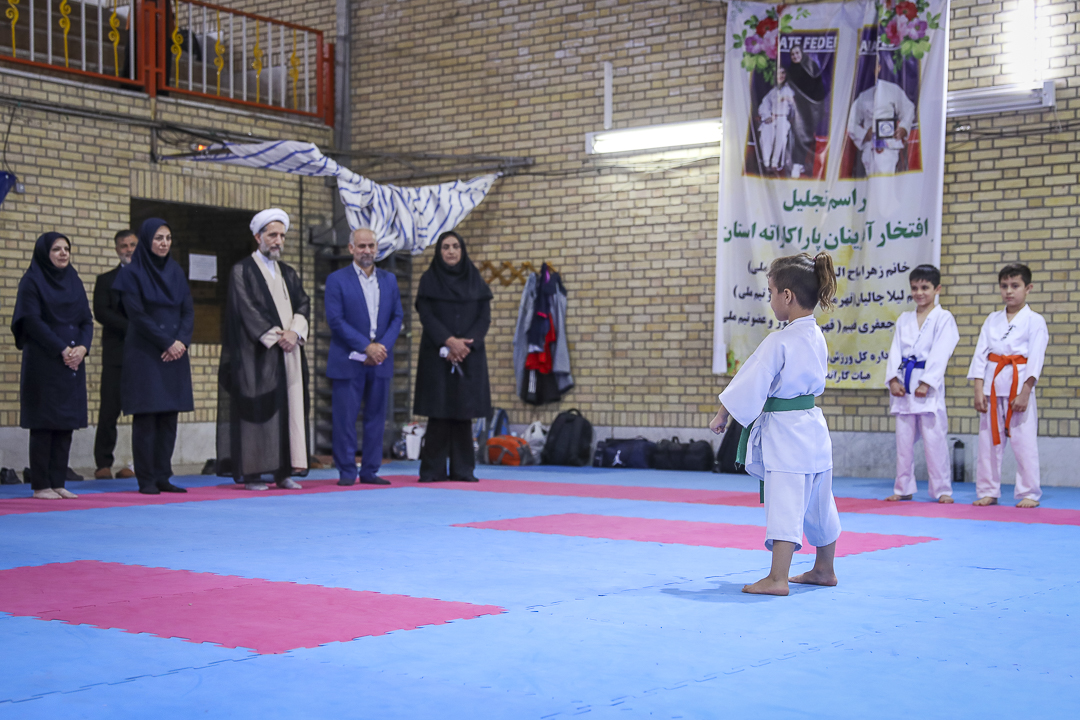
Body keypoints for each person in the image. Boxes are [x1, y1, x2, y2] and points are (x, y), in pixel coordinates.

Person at [709, 252, 841, 596]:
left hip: (786, 434)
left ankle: (777, 578)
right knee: (820, 504)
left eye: (770, 292)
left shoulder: (779, 340)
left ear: (787, 295)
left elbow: (750, 380)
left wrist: (723, 414)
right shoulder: (816, 335)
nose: (769, 299)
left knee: (785, 504)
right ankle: (824, 569)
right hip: (813, 428)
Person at [217, 209, 311, 491]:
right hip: (256, 355)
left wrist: (294, 333)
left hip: (289, 353)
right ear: (258, 237)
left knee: (287, 410)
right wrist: (276, 337)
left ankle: (283, 472)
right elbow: (246, 309)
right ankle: (254, 474)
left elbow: (303, 303)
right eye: (272, 235)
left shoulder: (289, 273)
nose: (278, 240)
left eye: (282, 235)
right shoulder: (242, 270)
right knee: (256, 414)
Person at [111, 218, 193, 495]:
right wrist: (167, 342)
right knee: (147, 418)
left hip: (175, 353)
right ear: (147, 240)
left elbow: (187, 310)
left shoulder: (176, 271)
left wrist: (181, 342)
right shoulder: (132, 273)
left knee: (168, 417)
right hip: (146, 352)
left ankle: (163, 476)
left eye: (168, 238)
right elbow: (136, 314)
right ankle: (146, 479)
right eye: (158, 238)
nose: (164, 243)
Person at [11, 232, 94, 500]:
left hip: (72, 361)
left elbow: (86, 320)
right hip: (44, 361)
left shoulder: (74, 280)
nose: (63, 253)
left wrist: (82, 348)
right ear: (44, 253)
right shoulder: (32, 280)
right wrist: (62, 348)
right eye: (57, 249)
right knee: (44, 424)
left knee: (65, 423)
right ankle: (41, 485)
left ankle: (58, 482)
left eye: (66, 248)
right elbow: (32, 321)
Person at [325, 228, 403, 486]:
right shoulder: (337, 280)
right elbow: (335, 320)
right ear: (351, 249)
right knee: (345, 420)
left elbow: (397, 317)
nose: (367, 250)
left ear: (377, 248)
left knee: (376, 419)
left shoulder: (389, 280)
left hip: (380, 360)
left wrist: (381, 348)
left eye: (371, 246)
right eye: (361, 246)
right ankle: (347, 471)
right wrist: (365, 347)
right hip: (348, 359)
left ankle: (370, 470)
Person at [966, 263, 1049, 508]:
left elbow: (1035, 360)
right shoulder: (992, 320)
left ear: (1028, 288)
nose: (1009, 291)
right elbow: (980, 355)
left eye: (1015, 286)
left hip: (1018, 387)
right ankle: (988, 490)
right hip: (992, 388)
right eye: (1004, 286)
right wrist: (978, 390)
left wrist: (1025, 392)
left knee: (1024, 442)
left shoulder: (1035, 321)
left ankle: (1029, 492)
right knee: (988, 442)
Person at [414, 231, 493, 483]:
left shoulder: (475, 278)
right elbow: (426, 315)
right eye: (446, 247)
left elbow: (484, 317)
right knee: (438, 413)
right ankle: (432, 470)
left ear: (462, 250)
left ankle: (463, 470)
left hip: (469, 355)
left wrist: (466, 345)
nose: (451, 251)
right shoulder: (429, 279)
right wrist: (448, 341)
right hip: (437, 353)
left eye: (455, 246)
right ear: (439, 252)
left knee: (463, 413)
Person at [885, 265, 960, 503]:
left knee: (934, 440)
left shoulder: (943, 318)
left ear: (937, 289)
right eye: (915, 288)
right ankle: (903, 487)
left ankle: (942, 489)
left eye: (925, 287)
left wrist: (927, 382)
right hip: (904, 385)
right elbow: (895, 350)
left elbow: (942, 351)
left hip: (928, 387)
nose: (919, 293)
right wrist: (893, 380)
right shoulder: (904, 319)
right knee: (903, 442)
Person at [92, 229, 138, 480]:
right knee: (109, 410)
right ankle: (103, 463)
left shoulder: (150, 279)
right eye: (123, 246)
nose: (129, 250)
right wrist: (134, 328)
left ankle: (137, 463)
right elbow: (101, 312)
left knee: (144, 412)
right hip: (116, 355)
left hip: (143, 355)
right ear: (116, 249)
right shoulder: (106, 280)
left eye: (132, 245)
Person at [846, 79, 915, 176]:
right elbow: (851, 123)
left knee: (889, 179)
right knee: (871, 180)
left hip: (889, 145)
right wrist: (865, 134)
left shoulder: (892, 89)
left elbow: (909, 109)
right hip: (870, 147)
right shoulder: (863, 96)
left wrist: (903, 128)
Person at [785, 45, 829, 179]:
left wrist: (815, 107)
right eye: (792, 54)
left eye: (797, 53)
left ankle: (805, 164)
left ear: (802, 53)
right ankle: (797, 164)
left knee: (810, 136)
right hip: (798, 109)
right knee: (799, 135)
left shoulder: (812, 66)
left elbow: (818, 89)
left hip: (814, 109)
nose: (795, 56)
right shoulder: (790, 71)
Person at [758, 66, 796, 173]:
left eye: (783, 73)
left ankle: (775, 163)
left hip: (783, 118)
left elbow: (795, 107)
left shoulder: (789, 91)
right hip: (773, 117)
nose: (781, 76)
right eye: (778, 73)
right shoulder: (773, 91)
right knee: (766, 133)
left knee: (781, 137)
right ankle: (766, 162)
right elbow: (764, 104)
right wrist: (767, 116)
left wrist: (789, 100)